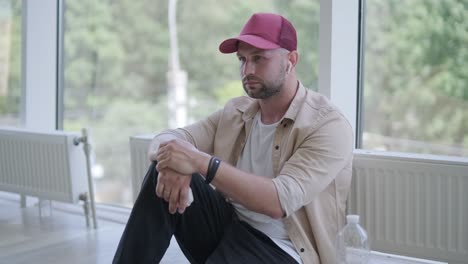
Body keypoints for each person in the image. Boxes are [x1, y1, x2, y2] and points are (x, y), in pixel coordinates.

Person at [113, 12, 353, 264]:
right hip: (228, 227)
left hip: (283, 249)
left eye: (258, 58)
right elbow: (168, 138)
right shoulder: (237, 111)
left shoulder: (327, 125)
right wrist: (172, 161)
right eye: (242, 59)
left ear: (290, 60)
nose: (247, 70)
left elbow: (278, 201)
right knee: (161, 169)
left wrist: (197, 161)